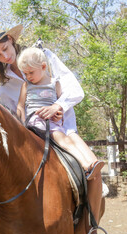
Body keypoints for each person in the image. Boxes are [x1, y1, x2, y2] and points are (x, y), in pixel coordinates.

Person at [0, 24, 105, 234]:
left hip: (62, 128)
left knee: (95, 172)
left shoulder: (43, 56)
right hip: (28, 134)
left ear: (11, 39)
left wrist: (58, 106)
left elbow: (74, 88)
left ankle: (91, 230)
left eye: (5, 49)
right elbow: (13, 114)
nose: (4, 56)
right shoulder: (6, 85)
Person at [16, 47, 104, 179]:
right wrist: (21, 123)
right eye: (25, 73)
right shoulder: (26, 85)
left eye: (31, 72)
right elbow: (21, 106)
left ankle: (86, 166)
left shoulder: (54, 83)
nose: (28, 77)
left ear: (44, 66)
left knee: (66, 141)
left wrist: (59, 115)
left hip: (51, 123)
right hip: (34, 120)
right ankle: (86, 165)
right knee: (64, 140)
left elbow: (59, 105)